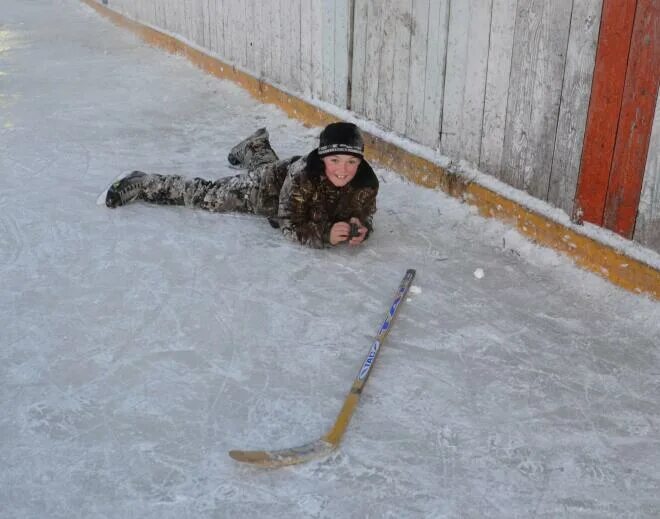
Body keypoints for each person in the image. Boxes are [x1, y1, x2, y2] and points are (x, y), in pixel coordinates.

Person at [104, 122, 379, 249]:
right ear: (322, 157)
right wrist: (324, 235)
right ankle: (143, 183)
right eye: (335, 160)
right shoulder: (303, 175)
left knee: (270, 170)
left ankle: (256, 146)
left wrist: (361, 227)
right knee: (207, 195)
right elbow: (289, 223)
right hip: (265, 192)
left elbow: (364, 213)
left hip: (280, 177)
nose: (343, 170)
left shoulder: (366, 184)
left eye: (351, 162)